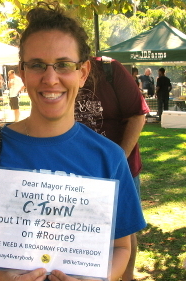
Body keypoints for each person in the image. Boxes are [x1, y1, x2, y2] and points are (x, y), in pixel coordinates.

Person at [0, 2, 146, 281]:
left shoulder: (109, 156)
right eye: (36, 65)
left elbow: (121, 247)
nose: (50, 78)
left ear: (83, 73)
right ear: (21, 72)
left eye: (63, 65)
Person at [75, 57, 149, 281]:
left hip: (121, 168)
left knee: (123, 231)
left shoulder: (109, 69)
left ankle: (126, 278)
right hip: (79, 171)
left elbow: (138, 115)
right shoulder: (60, 73)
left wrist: (119, 162)